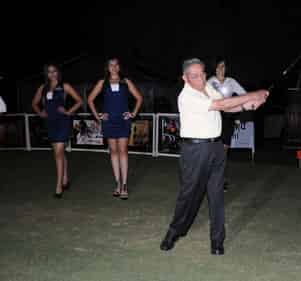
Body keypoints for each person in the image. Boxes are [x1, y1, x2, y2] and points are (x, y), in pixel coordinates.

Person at [160, 58, 269, 255]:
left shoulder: (208, 88)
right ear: (185, 78)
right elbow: (221, 103)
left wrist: (248, 105)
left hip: (216, 147)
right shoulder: (187, 96)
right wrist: (251, 95)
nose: (200, 78)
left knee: (216, 195)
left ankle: (217, 242)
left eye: (202, 73)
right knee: (188, 195)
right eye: (194, 76)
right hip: (195, 150)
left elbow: (227, 107)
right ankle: (174, 231)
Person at [87, 57, 143, 200]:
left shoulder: (126, 81)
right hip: (109, 121)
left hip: (123, 121)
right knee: (113, 151)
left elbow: (139, 98)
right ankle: (117, 184)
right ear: (107, 67)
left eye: (116, 65)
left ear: (119, 67)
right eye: (110, 65)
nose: (113, 67)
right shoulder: (102, 82)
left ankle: (124, 185)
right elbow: (90, 99)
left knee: (123, 151)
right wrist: (98, 116)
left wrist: (133, 113)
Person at [32, 63, 83, 198]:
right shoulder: (43, 88)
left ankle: (58, 185)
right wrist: (40, 112)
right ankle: (65, 178)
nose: (52, 74)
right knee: (59, 153)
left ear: (58, 72)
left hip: (62, 122)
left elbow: (79, 101)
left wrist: (68, 112)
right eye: (49, 72)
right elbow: (34, 103)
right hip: (50, 123)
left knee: (58, 152)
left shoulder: (65, 86)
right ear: (46, 74)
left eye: (54, 71)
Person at [207, 58, 247, 191]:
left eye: (223, 66)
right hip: (213, 117)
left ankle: (220, 180)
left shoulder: (231, 81)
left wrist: (237, 110)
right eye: (218, 66)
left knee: (223, 151)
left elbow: (244, 95)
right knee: (212, 150)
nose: (221, 69)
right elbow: (203, 97)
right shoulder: (210, 81)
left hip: (228, 118)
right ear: (215, 68)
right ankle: (209, 177)